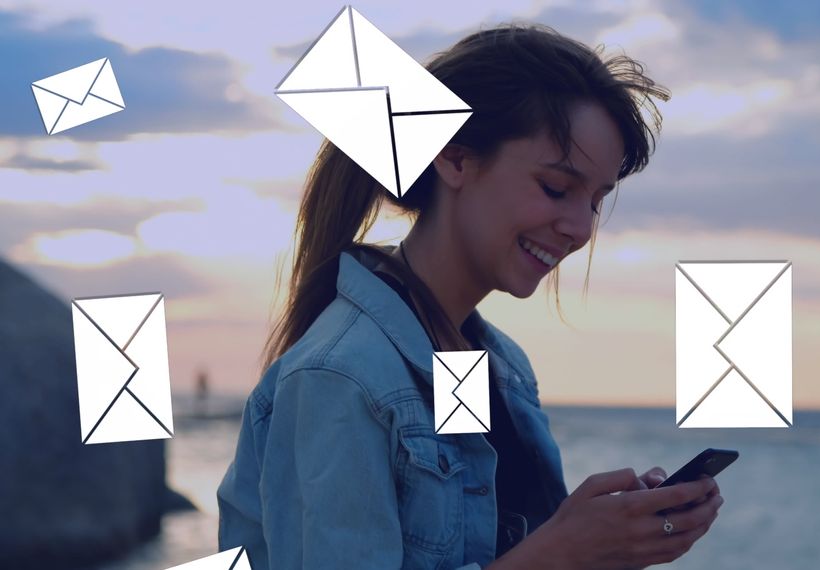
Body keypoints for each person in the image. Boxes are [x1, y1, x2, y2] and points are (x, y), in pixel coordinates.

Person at [216, 23, 724, 570]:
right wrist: (563, 551)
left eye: (596, 201)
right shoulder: (341, 377)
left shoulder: (496, 367)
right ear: (456, 161)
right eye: (556, 188)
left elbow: (483, 545)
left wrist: (609, 543)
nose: (580, 228)